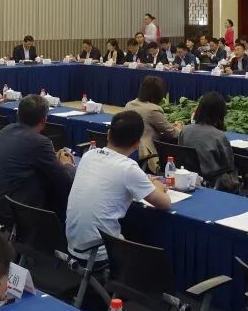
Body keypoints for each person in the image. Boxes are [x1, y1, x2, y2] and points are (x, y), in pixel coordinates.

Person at [66, 110, 170, 257]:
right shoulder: (128, 168)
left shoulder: (88, 155)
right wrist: (157, 186)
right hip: (100, 254)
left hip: (72, 246)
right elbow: (165, 203)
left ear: (108, 134)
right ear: (137, 144)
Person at [0, 95, 75, 221]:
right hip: (12, 213)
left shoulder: (4, 131)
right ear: (44, 120)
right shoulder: (40, 142)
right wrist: (67, 164)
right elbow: (65, 181)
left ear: (18, 114)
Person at [178, 92, 240, 192]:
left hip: (189, 179)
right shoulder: (219, 136)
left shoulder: (185, 131)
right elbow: (228, 166)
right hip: (212, 181)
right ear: (221, 113)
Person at [126, 76, 181, 169]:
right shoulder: (153, 110)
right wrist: (180, 129)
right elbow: (172, 133)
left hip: (128, 151)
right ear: (158, 94)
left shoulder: (129, 104)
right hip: (145, 154)